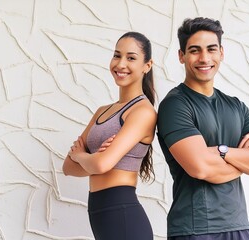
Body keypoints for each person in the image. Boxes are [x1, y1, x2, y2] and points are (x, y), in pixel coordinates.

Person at [156, 17, 249, 240]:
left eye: (211, 49)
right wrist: (245, 163)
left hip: (240, 226)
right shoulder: (175, 105)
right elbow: (200, 168)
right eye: (194, 50)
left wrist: (222, 151)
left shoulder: (236, 106)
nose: (204, 58)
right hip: (196, 228)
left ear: (221, 53)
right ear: (181, 56)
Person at [62, 31, 156, 240]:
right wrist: (92, 160)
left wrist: (81, 156)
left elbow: (101, 165)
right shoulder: (102, 111)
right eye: (117, 55)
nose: (121, 64)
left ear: (146, 66)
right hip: (102, 217)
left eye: (131, 58)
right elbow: (67, 167)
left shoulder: (143, 112)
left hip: (124, 217)